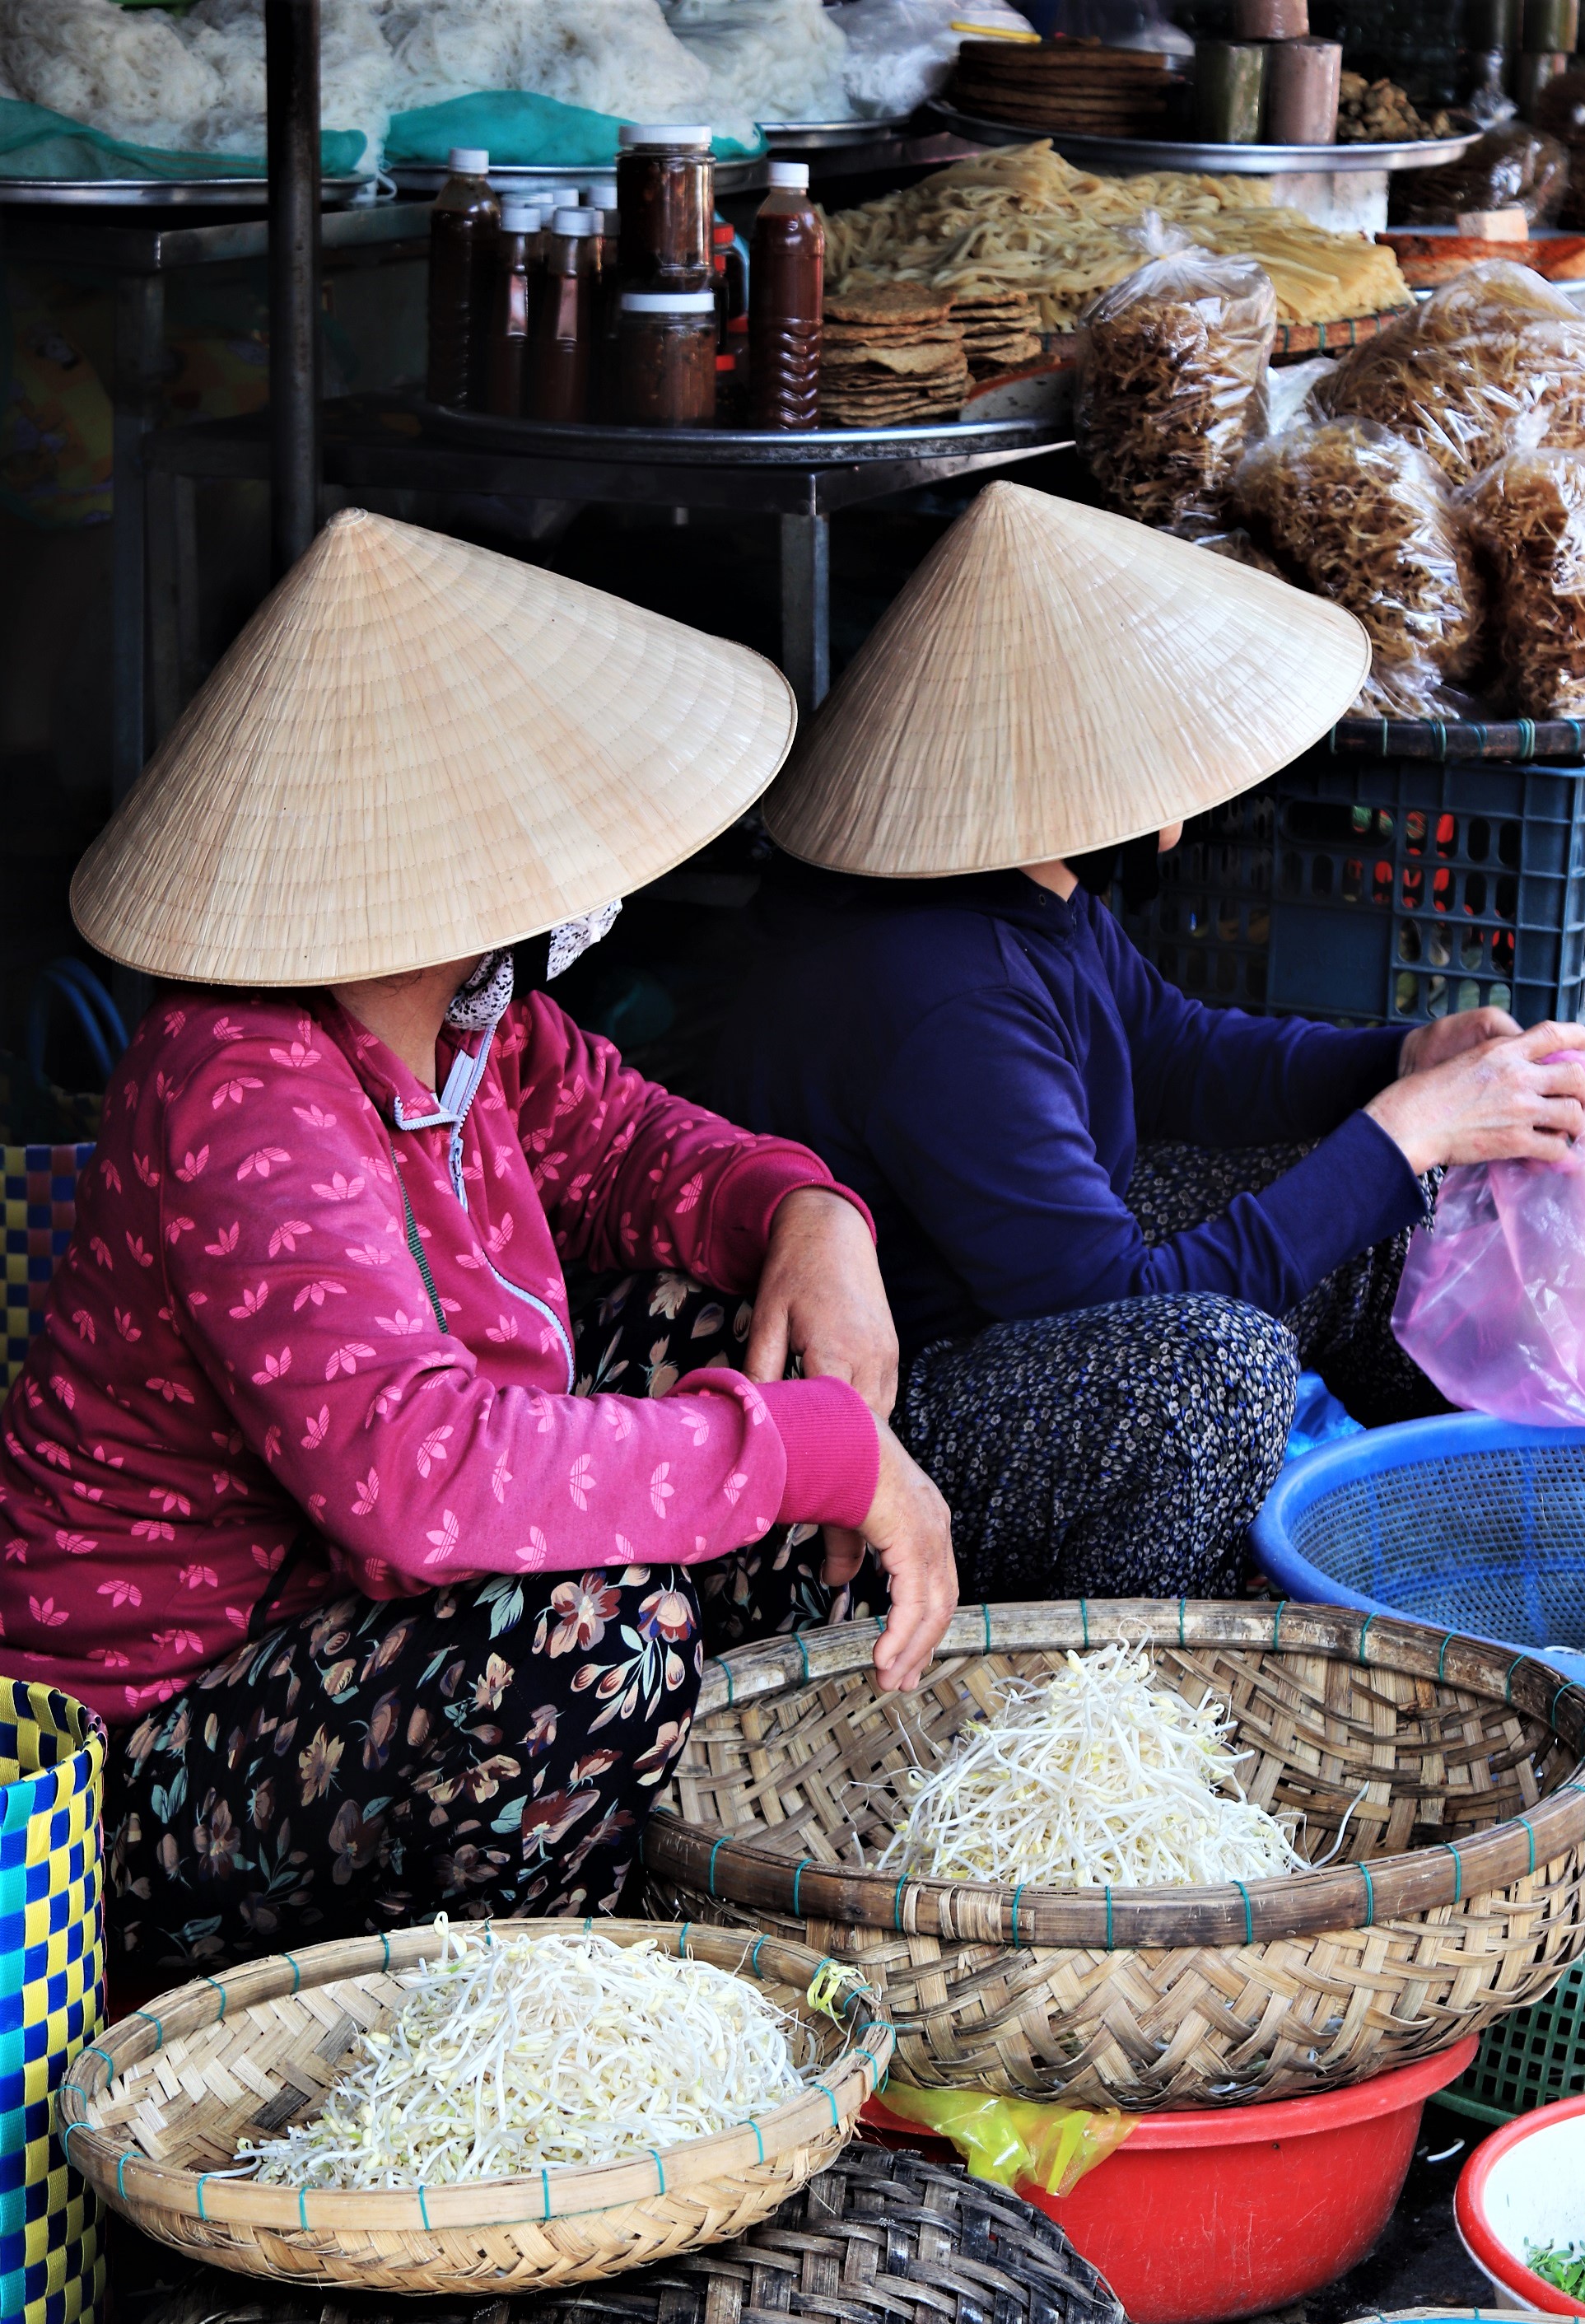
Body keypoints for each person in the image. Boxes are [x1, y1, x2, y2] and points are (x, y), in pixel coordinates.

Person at [4, 508, 954, 1972]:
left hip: (354, 1639)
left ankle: (722, 1845)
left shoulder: (471, 1028)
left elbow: (642, 1146)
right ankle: (500, 2005)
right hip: (155, 1759)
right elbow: (414, 1471)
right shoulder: (241, 1080)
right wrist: (810, 1451)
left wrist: (808, 1216)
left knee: (730, 1335)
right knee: (594, 1630)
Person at [717, 483, 1585, 1603]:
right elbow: (1112, 1302)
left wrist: (1401, 1065)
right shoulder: (943, 991)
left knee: (1380, 1203)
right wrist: (1399, 1136)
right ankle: (1126, 1673)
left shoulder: (1028, 886)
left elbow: (1173, 1051)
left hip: (1020, 1306)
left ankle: (1512, 1553)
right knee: (1215, 1374)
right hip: (897, 1433)